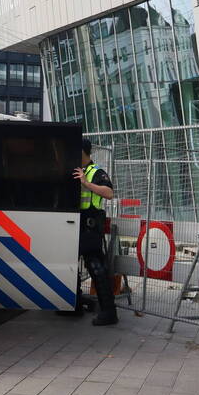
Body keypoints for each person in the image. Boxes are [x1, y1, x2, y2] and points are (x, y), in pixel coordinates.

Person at [74, 138, 117, 326]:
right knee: (69, 265)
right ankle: (73, 305)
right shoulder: (75, 170)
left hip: (90, 226)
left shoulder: (95, 171)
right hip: (74, 223)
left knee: (96, 268)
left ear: (82, 152)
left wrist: (87, 183)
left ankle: (109, 312)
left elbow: (109, 193)